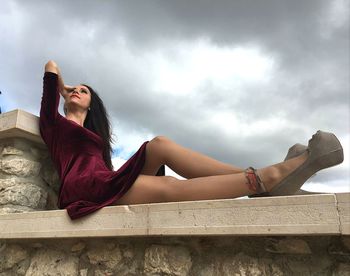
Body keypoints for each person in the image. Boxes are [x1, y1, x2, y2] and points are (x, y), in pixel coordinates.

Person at [40, 60, 344, 220]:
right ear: (64, 96)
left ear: (92, 105)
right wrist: (63, 86)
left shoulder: (94, 137)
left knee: (158, 145)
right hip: (84, 188)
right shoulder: (53, 125)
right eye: (73, 90)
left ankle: (265, 178)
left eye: (84, 90)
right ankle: (269, 177)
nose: (78, 91)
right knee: (169, 185)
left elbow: (106, 171)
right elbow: (51, 65)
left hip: (106, 182)